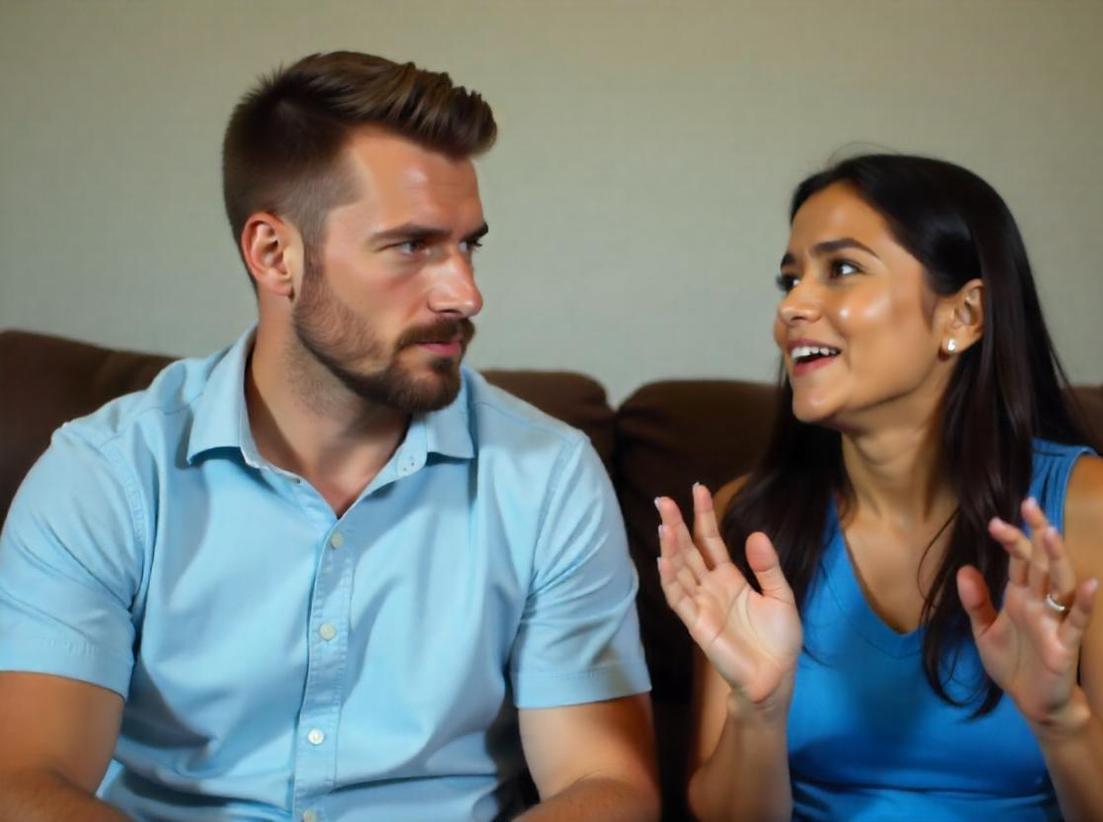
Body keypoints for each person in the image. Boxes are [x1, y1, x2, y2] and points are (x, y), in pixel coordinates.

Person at [0, 51, 657, 822]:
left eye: (467, 245)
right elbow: (27, 779)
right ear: (274, 254)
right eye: (412, 245)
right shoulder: (106, 476)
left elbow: (606, 784)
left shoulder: (547, 477)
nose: (465, 292)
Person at [655, 154, 1103, 821]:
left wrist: (1062, 721)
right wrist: (757, 711)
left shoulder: (1098, 509)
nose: (792, 306)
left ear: (963, 315)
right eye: (790, 279)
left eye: (841, 269)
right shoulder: (749, 518)